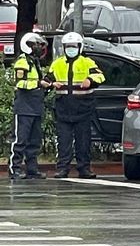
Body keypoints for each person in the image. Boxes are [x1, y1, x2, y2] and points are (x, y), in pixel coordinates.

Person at [43, 32, 105, 179]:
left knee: (83, 141)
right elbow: (46, 80)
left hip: (83, 108)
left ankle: (84, 169)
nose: (71, 49)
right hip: (63, 108)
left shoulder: (87, 62)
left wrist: (90, 80)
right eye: (68, 46)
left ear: (80, 47)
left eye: (74, 46)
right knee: (63, 141)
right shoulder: (57, 63)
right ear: (64, 48)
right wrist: (50, 84)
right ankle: (62, 168)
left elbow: (100, 76)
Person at [9, 32, 48, 179]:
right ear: (28, 46)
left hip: (36, 107)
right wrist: (39, 83)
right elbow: (20, 83)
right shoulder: (22, 62)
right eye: (36, 45)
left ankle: (32, 169)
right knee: (20, 140)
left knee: (34, 141)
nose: (38, 47)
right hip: (24, 108)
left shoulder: (34, 62)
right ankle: (15, 169)